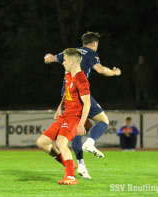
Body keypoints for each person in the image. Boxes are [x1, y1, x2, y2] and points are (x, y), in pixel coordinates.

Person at [44, 32, 121, 179]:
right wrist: (115, 72)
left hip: (67, 93)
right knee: (103, 120)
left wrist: (48, 57)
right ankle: (90, 144)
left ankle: (81, 166)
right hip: (79, 91)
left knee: (75, 130)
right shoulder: (91, 53)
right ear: (94, 44)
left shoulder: (72, 52)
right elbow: (101, 70)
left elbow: (52, 59)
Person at [37, 48, 91, 185]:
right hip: (65, 116)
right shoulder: (68, 75)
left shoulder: (81, 80)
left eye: (65, 60)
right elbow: (67, 93)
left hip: (74, 118)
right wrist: (59, 107)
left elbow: (87, 103)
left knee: (61, 143)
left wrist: (81, 123)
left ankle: (71, 177)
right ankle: (69, 164)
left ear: (73, 61)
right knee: (42, 142)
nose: (62, 63)